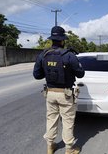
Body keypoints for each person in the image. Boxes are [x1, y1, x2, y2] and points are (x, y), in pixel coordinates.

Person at [33, 26, 85, 154]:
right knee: (67, 121)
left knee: (51, 119)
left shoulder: (43, 55)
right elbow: (80, 74)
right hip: (65, 94)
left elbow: (37, 75)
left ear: (52, 39)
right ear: (62, 40)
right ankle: (69, 149)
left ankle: (50, 146)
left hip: (50, 93)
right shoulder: (69, 55)